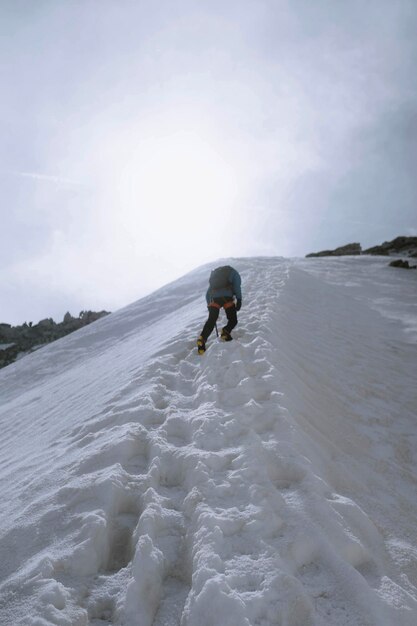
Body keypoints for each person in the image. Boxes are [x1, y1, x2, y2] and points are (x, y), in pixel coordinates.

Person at [197, 265, 242, 354]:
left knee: (211, 320)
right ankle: (225, 332)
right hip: (227, 298)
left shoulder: (215, 276)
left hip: (214, 299)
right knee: (233, 320)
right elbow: (237, 287)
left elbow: (208, 293)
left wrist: (209, 305)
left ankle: (202, 339)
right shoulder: (234, 272)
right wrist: (239, 300)